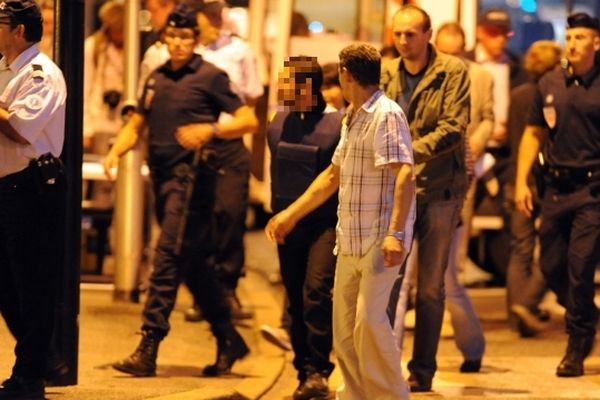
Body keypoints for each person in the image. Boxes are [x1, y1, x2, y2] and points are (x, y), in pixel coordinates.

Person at [104, 4, 257, 378]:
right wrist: (115, 151)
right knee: (193, 265)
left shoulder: (211, 76)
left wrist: (211, 130)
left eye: (185, 37)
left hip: (193, 182)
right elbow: (137, 121)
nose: (178, 44)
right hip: (161, 177)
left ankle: (149, 345)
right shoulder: (155, 77)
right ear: (164, 37)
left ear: (196, 39)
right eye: (172, 36)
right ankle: (228, 337)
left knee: (167, 257)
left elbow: (248, 119)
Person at [267, 42, 416, 400]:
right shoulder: (352, 116)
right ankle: (354, 394)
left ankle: (392, 396)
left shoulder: (386, 114)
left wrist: (395, 233)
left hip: (380, 238)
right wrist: (290, 214)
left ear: (347, 75)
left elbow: (404, 174)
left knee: (370, 322)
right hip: (349, 237)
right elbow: (332, 176)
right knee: (344, 326)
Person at [142, 0, 263, 321]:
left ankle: (227, 288)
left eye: (217, 11)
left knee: (229, 215)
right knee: (195, 230)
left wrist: (215, 127)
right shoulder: (161, 56)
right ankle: (216, 313)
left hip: (225, 141)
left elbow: (251, 100)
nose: (216, 17)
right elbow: (145, 104)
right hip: (182, 153)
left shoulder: (239, 51)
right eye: (209, 12)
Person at [381, 4, 470, 392]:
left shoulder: (452, 71)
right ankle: (384, 364)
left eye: (411, 34)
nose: (403, 41)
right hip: (397, 192)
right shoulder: (385, 72)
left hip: (438, 191)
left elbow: (454, 127)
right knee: (389, 282)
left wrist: (405, 152)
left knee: (431, 287)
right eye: (398, 34)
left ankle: (423, 370)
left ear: (427, 34)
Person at [515, 12, 600, 377]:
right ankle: (588, 315)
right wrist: (521, 183)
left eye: (582, 37)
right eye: (571, 36)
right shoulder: (550, 81)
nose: (574, 42)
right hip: (554, 188)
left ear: (596, 43)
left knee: (581, 268)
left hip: (593, 189)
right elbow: (533, 133)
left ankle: (576, 346)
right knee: (551, 267)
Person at [0, 1, 67, 399]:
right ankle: (41, 357)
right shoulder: (5, 69)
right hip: (5, 187)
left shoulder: (42, 74)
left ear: (19, 30)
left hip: (31, 188)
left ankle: (30, 376)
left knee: (32, 284)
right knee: (6, 284)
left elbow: (20, 128)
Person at [266, 55, 341, 400]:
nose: (283, 90)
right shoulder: (277, 123)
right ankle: (304, 371)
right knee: (295, 298)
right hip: (287, 225)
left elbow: (333, 180)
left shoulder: (337, 125)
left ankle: (318, 369)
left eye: (290, 84)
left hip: (324, 225)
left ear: (309, 88)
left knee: (315, 293)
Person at [433, 20, 491, 373]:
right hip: (427, 179)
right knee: (410, 276)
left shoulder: (479, 77)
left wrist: (471, 145)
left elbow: (486, 118)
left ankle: (471, 347)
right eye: (444, 52)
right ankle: (412, 362)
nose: (451, 59)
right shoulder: (427, 78)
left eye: (456, 52)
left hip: (460, 174)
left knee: (450, 272)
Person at [505, 40, 561, 337]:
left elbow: (510, 139)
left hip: (516, 177)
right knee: (554, 245)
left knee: (520, 248)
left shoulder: (517, 95)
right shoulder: (552, 96)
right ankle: (527, 303)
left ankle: (518, 314)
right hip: (545, 179)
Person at [83, 0, 124, 154]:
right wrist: (86, 129)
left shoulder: (135, 48)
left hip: (123, 123)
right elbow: (85, 88)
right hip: (98, 122)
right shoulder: (93, 47)